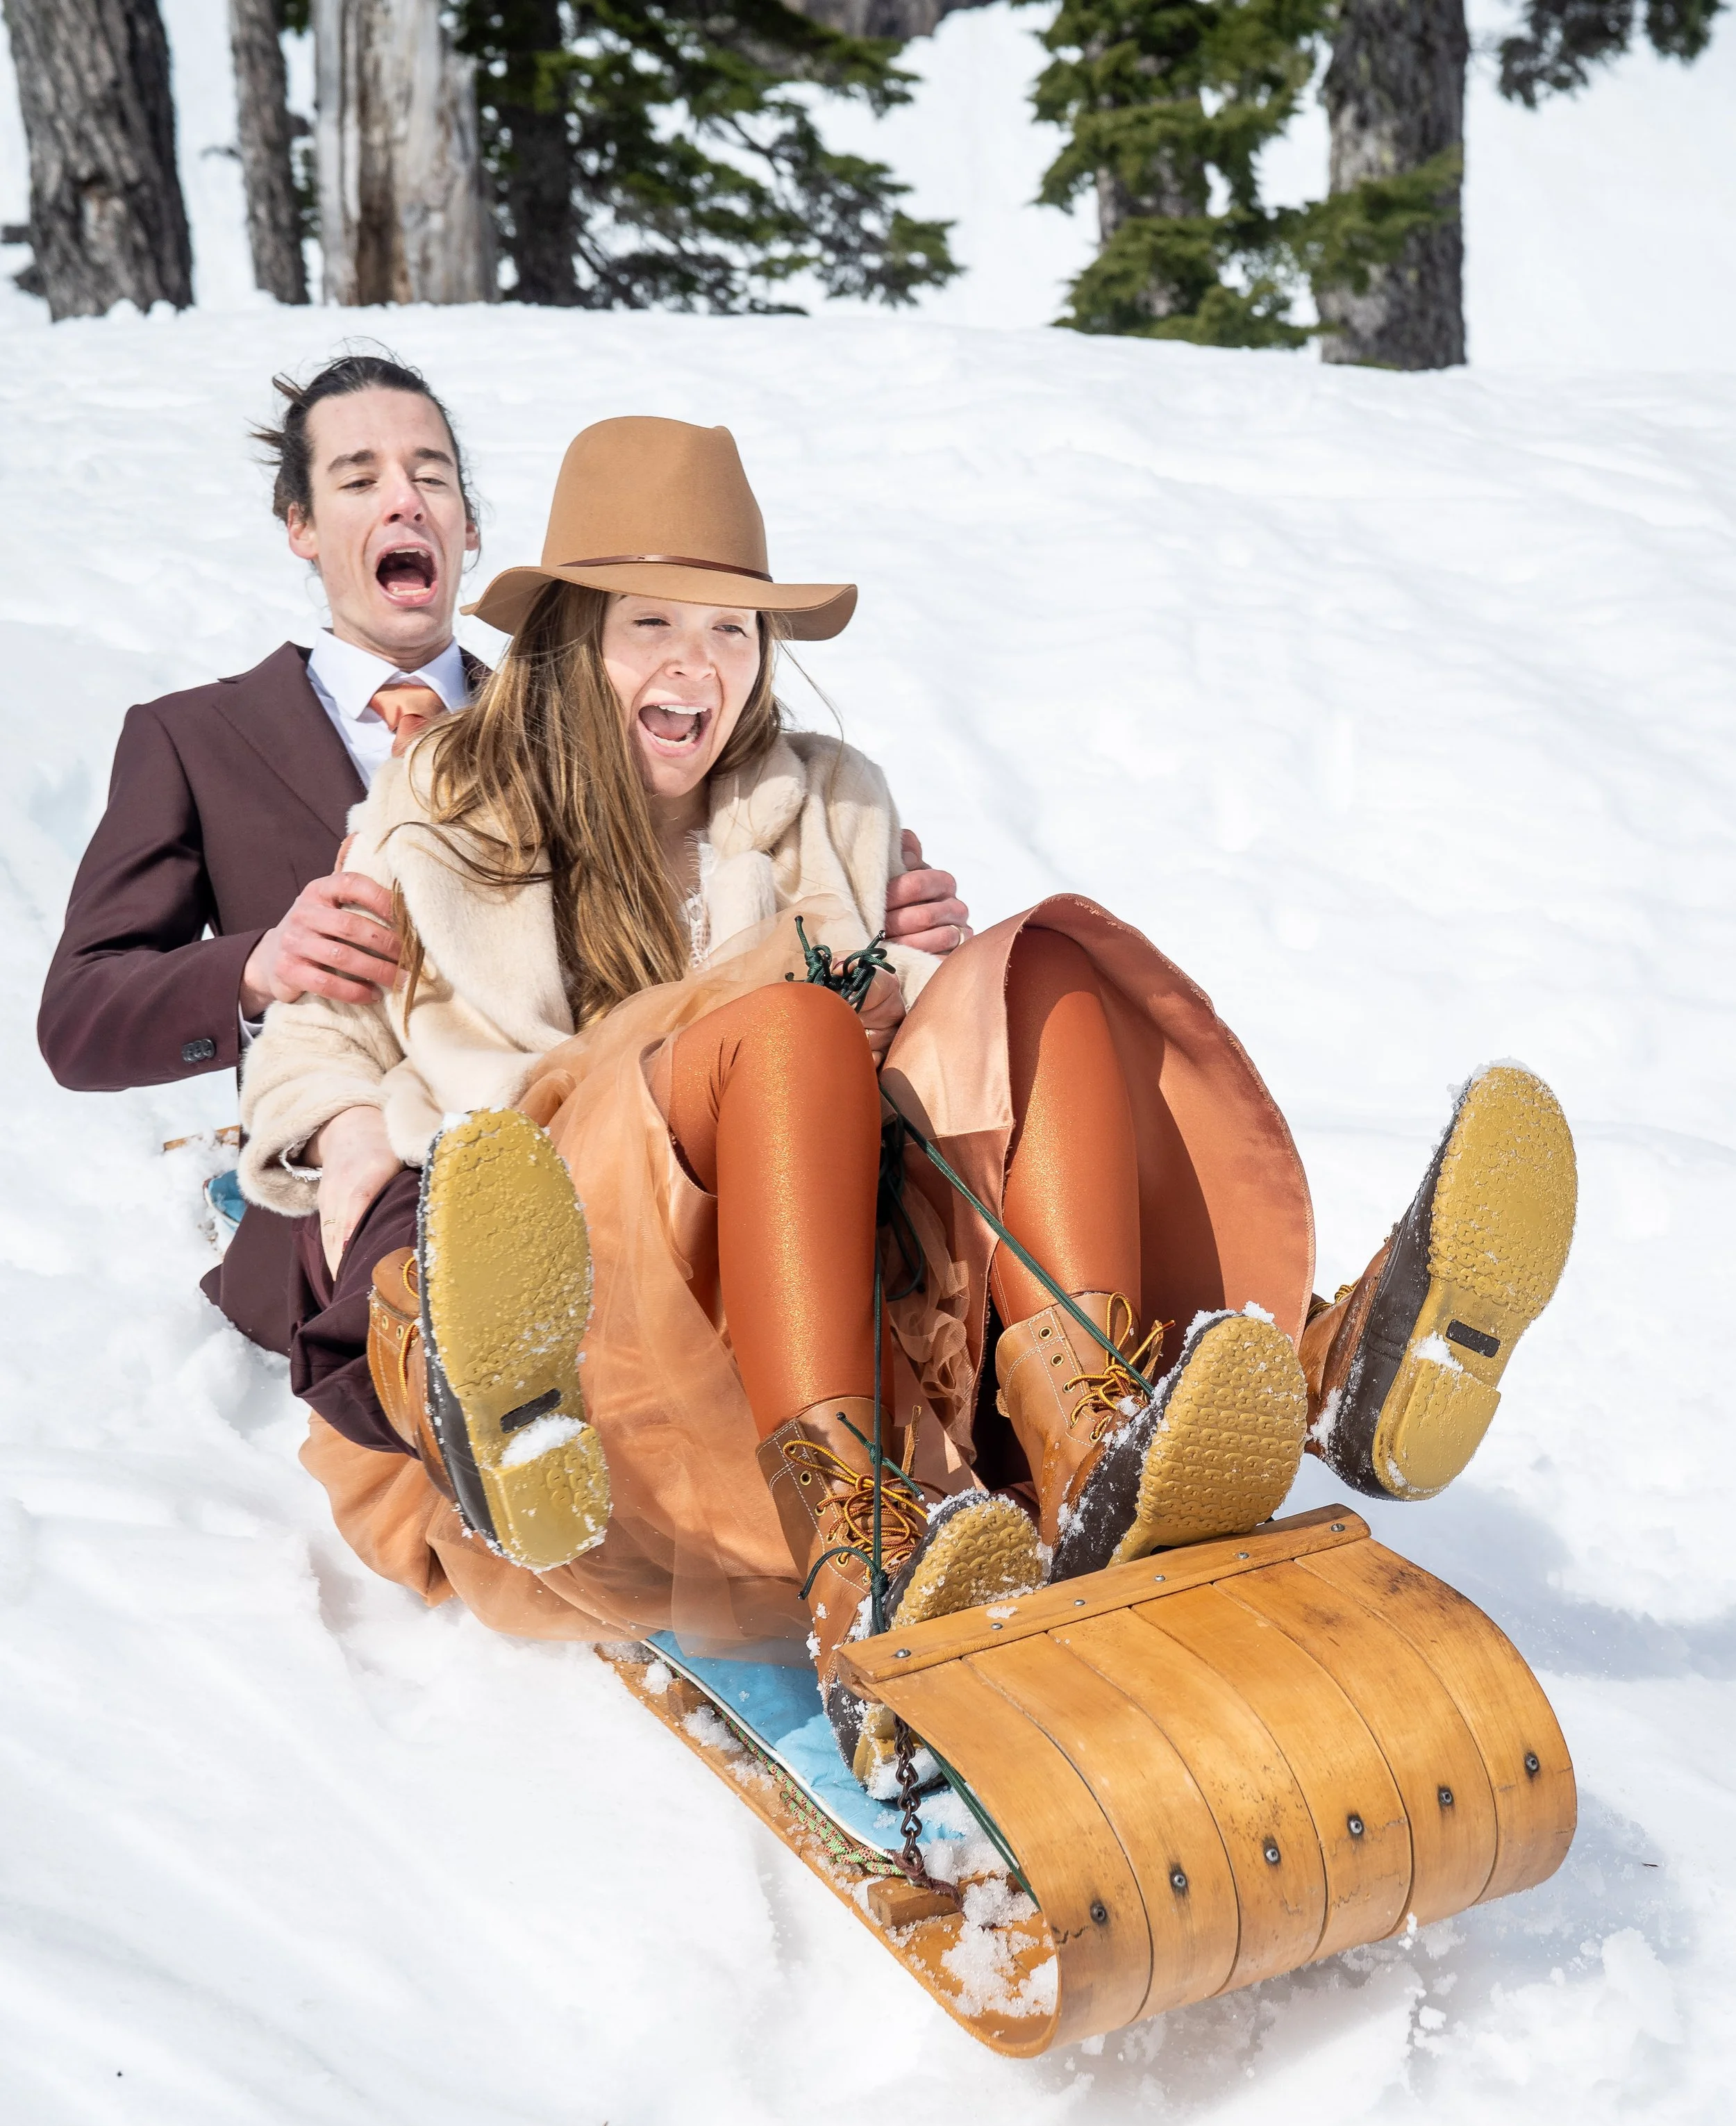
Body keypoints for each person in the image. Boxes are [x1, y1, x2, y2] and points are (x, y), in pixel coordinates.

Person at [236, 417, 1577, 1791]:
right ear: (574, 634)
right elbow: (314, 1039)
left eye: (734, 630)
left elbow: (943, 1063)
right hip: (597, 1305)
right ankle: (852, 1543)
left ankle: (1111, 1421)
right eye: (650, 623)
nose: (698, 666)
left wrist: (931, 983)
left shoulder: (821, 801)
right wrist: (346, 1146)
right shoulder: (437, 811)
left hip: (822, 1281)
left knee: (1032, 970)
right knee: (786, 1025)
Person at [36, 356, 969, 1357]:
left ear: (469, 527)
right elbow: (82, 1016)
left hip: (638, 1143)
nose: (404, 500)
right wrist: (261, 969)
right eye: (359, 479)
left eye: (431, 475)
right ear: (300, 526)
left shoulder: (612, 709)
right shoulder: (197, 737)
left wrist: (883, 933)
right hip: (365, 1175)